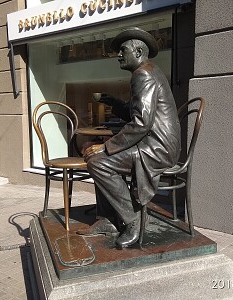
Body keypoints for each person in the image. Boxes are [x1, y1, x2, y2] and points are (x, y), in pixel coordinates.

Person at [77, 27, 181, 249]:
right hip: (153, 142)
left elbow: (141, 123)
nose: (119, 55)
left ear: (138, 51)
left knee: (98, 162)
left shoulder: (143, 74)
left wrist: (106, 147)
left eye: (123, 50)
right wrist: (112, 102)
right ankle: (107, 220)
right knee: (96, 158)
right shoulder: (149, 71)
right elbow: (137, 115)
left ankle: (134, 219)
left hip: (157, 147)